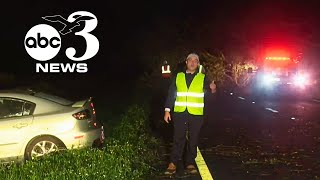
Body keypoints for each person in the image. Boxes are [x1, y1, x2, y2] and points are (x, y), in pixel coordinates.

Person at [163, 53, 216, 175]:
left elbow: (211, 99)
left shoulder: (203, 78)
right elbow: (171, 94)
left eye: (195, 61)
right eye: (190, 60)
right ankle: (173, 163)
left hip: (196, 114)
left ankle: (190, 163)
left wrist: (213, 89)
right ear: (186, 62)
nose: (192, 62)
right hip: (180, 112)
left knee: (193, 139)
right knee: (178, 138)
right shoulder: (178, 76)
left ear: (198, 64)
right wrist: (167, 110)